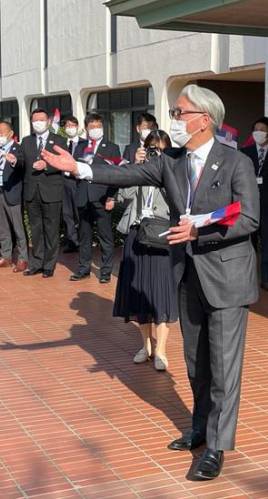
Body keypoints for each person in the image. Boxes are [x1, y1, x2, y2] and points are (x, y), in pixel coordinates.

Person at [41, 84, 259, 482]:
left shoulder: (235, 162)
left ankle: (217, 445)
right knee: (197, 365)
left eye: (179, 113)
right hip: (188, 275)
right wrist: (80, 168)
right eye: (173, 113)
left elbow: (248, 219)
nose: (173, 120)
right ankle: (199, 427)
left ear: (203, 120)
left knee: (224, 368)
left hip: (226, 276)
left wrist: (199, 233)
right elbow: (125, 174)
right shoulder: (170, 161)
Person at [113, 130, 178, 371]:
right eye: (151, 149)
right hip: (136, 234)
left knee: (160, 293)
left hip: (161, 236)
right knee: (139, 292)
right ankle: (145, 346)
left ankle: (161, 350)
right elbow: (122, 195)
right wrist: (135, 166)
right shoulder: (139, 170)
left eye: (159, 150)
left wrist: (164, 172)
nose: (155, 154)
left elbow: (178, 201)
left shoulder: (174, 173)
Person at [70, 113, 121, 282]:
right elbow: (74, 169)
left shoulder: (112, 147)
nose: (95, 129)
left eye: (98, 126)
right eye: (91, 127)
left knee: (105, 236)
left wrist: (111, 197)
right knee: (84, 236)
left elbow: (115, 175)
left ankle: (105, 271)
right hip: (83, 196)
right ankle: (83, 268)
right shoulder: (81, 147)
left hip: (102, 197)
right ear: (86, 129)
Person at [240, 117, 268, 293]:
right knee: (247, 244)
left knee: (267, 245)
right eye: (255, 129)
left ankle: (266, 279)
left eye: (262, 129)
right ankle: (247, 279)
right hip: (247, 205)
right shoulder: (245, 152)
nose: (258, 132)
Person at [20, 108, 67, 278]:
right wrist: (14, 161)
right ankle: (36, 263)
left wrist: (47, 166)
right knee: (36, 229)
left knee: (51, 229)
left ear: (48, 121)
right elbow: (21, 161)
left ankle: (49, 265)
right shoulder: (26, 141)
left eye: (41, 119)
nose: (38, 123)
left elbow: (64, 162)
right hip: (31, 192)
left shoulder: (59, 140)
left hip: (51, 191)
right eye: (35, 120)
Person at [0, 121, 28, 272]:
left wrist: (14, 161)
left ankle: (23, 259)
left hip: (13, 193)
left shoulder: (18, 148)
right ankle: (6, 256)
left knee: (18, 228)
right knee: (2, 228)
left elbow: (21, 164)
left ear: (11, 133)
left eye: (2, 132)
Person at [61, 115, 83, 253]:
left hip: (78, 182)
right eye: (67, 125)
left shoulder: (84, 144)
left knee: (79, 213)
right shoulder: (61, 143)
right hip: (63, 182)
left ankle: (83, 241)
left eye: (72, 125)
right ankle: (72, 242)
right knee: (67, 214)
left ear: (77, 126)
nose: (70, 128)